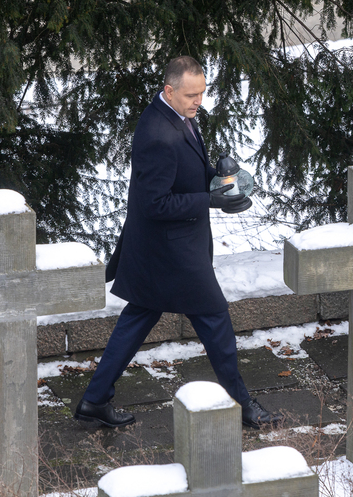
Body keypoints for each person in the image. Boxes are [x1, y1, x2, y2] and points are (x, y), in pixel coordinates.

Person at [75, 56, 282, 429]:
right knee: (215, 319)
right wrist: (210, 200)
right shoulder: (158, 133)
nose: (198, 101)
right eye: (191, 95)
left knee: (138, 318)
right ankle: (243, 405)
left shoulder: (176, 115)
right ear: (169, 90)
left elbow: (179, 174)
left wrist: (213, 176)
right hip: (172, 250)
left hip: (163, 247)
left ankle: (93, 400)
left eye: (202, 93)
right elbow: (154, 203)